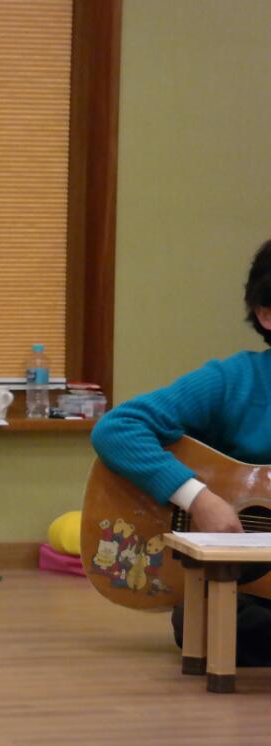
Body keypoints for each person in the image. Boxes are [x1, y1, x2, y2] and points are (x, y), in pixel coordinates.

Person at [90, 238, 271, 663]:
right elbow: (118, 428)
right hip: (243, 586)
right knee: (204, 623)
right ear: (266, 314)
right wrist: (198, 499)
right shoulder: (233, 379)